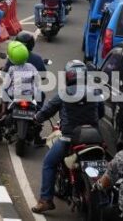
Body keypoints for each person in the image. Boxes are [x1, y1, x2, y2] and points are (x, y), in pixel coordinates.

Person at [31, 60, 105, 214]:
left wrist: (37, 118)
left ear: (68, 76)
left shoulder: (64, 94)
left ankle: (46, 200)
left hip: (70, 139)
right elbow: (101, 113)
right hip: (95, 138)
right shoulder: (96, 92)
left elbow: (47, 110)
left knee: (49, 163)